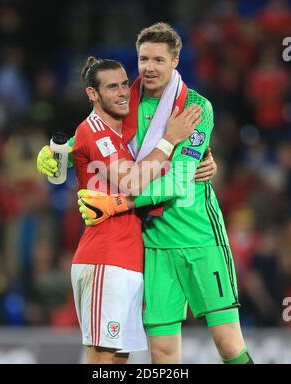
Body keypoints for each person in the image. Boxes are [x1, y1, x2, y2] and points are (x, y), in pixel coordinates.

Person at [75, 23, 254, 365]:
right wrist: (62, 151)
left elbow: (180, 180)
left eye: (158, 59)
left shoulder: (195, 108)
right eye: (143, 59)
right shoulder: (126, 103)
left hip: (200, 237)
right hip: (155, 245)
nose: (149, 67)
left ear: (175, 61)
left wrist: (120, 202)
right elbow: (95, 133)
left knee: (229, 344)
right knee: (162, 353)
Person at [50, 55, 201, 364]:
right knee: (103, 362)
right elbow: (133, 182)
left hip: (127, 261)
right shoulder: (95, 131)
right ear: (92, 94)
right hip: (105, 259)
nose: (121, 93)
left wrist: (202, 162)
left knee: (118, 363)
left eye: (123, 85)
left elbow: (154, 175)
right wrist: (170, 139)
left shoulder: (125, 135)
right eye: (111, 87)